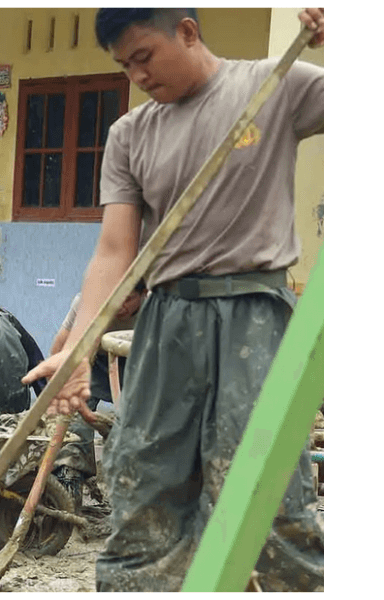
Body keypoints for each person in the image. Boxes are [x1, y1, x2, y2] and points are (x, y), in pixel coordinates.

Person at [23, 8, 324, 592]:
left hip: (255, 319)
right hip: (166, 323)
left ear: (186, 31)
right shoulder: (130, 134)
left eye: (144, 57)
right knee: (144, 490)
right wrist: (78, 348)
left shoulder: (275, 85)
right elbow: (114, 250)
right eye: (124, 65)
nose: (137, 75)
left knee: (265, 499)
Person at [48, 282, 146, 505]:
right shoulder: (87, 302)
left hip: (138, 366)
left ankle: (134, 495)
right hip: (94, 362)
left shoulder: (156, 308)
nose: (121, 305)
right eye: (116, 297)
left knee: (137, 431)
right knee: (72, 421)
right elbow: (61, 345)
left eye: (129, 299)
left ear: (143, 293)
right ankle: (69, 483)